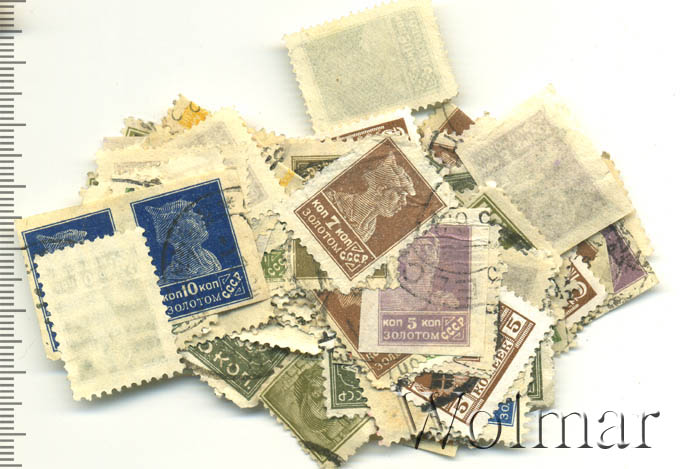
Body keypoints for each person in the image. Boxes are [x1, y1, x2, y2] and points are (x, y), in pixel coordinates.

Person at [325, 153, 416, 242]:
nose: (404, 202)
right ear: (380, 190)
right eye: (399, 194)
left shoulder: (368, 229)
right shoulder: (332, 201)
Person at [146, 199, 221, 285]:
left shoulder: (209, 259)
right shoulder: (171, 280)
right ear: (175, 231)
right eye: (189, 215)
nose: (199, 216)